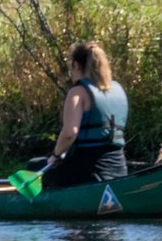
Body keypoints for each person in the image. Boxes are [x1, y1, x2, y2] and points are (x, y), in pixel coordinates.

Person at [41, 41, 129, 188]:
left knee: (34, 166)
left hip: (90, 172)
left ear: (76, 65)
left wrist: (55, 156)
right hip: (119, 169)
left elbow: (70, 133)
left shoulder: (78, 93)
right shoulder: (118, 89)